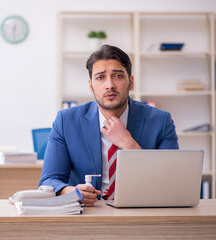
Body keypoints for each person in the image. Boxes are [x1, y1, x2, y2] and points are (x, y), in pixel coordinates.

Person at [39, 44, 179, 207]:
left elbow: (171, 182)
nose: (110, 85)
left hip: (141, 213)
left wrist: (129, 145)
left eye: (118, 76)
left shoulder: (161, 121)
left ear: (131, 82)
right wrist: (70, 192)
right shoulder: (66, 121)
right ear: (91, 86)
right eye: (100, 77)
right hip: (88, 215)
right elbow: (49, 181)